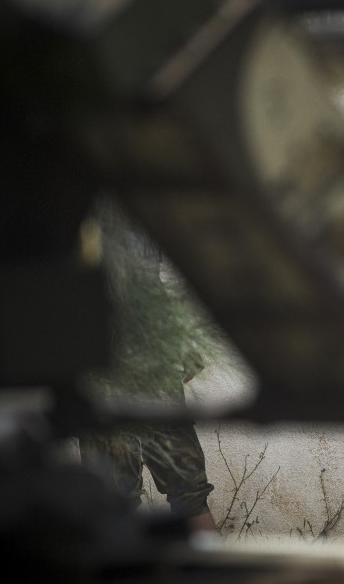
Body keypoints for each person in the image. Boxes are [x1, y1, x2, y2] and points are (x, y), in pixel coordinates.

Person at [77, 198, 221, 540]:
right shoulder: (134, 199)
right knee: (184, 496)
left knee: (124, 500)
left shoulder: (93, 203)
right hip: (124, 369)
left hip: (118, 370)